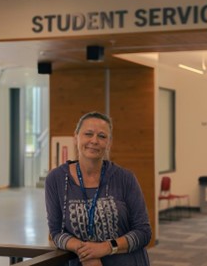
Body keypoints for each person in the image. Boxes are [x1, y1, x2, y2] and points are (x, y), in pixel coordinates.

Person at [45, 111, 151, 266]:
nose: (94, 141)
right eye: (88, 134)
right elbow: (55, 233)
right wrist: (88, 253)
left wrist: (107, 248)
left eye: (102, 136)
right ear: (76, 138)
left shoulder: (125, 178)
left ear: (109, 143)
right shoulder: (56, 179)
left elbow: (143, 232)